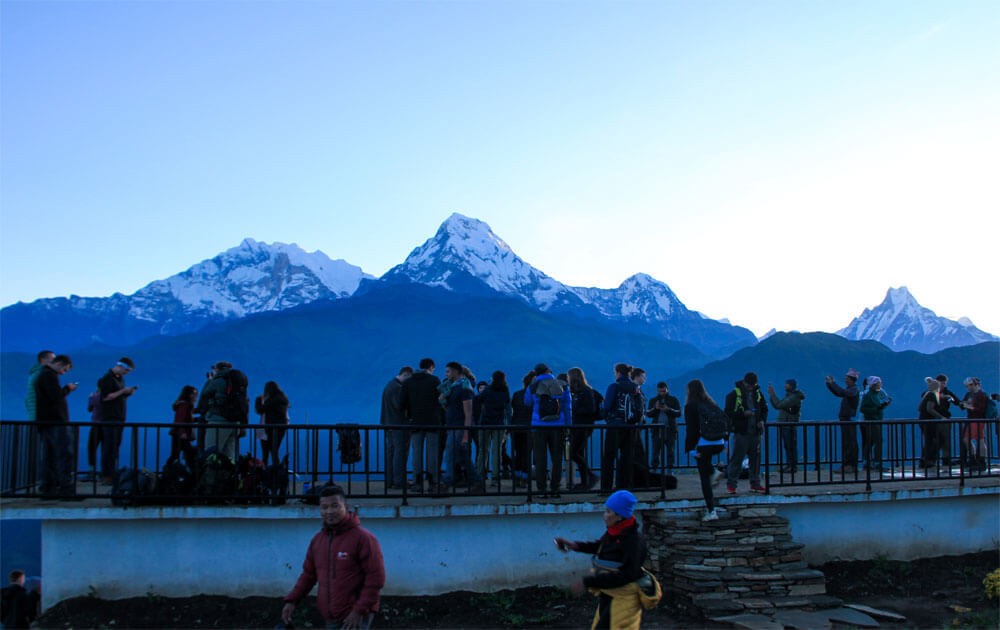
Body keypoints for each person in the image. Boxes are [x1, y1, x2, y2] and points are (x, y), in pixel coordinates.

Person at [282, 484, 385, 629]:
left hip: (356, 617)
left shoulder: (363, 539)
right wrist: (292, 601)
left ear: (345, 506)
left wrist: (358, 611)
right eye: (324, 507)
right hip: (330, 616)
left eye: (335, 506)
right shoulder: (318, 540)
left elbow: (376, 579)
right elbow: (308, 575)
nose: (329, 511)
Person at [554, 490, 650, 629]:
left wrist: (587, 582)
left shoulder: (633, 542)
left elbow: (627, 575)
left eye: (608, 511)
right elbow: (601, 547)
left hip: (624, 599)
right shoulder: (615, 532)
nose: (604, 516)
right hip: (610, 593)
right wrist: (574, 545)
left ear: (619, 516)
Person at [524, 363, 572, 497]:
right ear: (549, 370)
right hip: (558, 426)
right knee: (557, 458)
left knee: (540, 458)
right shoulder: (562, 384)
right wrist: (568, 425)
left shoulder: (533, 386)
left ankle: (541, 489)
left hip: (538, 426)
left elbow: (527, 402)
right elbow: (567, 407)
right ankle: (555, 488)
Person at [34, 354, 78, 498]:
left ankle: (48, 487)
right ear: (59, 364)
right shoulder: (48, 376)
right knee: (64, 454)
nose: (63, 372)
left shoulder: (44, 375)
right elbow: (55, 396)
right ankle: (66, 489)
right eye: (64, 369)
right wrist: (68, 389)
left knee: (50, 456)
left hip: (47, 421)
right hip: (56, 422)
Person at [684, 379, 727, 521]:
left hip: (705, 443)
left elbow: (692, 430)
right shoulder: (710, 403)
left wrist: (690, 449)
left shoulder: (691, 406)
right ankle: (714, 472)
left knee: (704, 477)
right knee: (707, 469)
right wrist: (725, 442)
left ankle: (711, 511)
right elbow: (725, 421)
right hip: (719, 442)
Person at [401, 358, 443, 493]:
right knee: (432, 453)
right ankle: (433, 482)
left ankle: (417, 483)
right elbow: (440, 400)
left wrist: (410, 415)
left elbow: (402, 403)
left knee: (416, 453)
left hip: (415, 421)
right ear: (431, 367)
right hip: (432, 422)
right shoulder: (435, 380)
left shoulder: (408, 382)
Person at [439, 361, 481, 493]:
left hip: (459, 426)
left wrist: (466, 433)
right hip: (452, 425)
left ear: (456, 372)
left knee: (450, 454)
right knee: (462, 457)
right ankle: (477, 482)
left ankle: (446, 483)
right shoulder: (453, 387)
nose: (446, 374)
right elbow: (451, 408)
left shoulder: (465, 387)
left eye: (448, 371)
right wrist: (443, 400)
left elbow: (468, 412)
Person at [724, 372, 767, 494]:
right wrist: (743, 414)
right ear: (744, 383)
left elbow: (764, 409)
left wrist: (762, 420)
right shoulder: (733, 395)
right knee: (737, 460)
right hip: (741, 433)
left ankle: (755, 483)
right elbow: (728, 413)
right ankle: (731, 485)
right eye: (749, 386)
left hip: (755, 433)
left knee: (755, 460)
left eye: (753, 386)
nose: (751, 388)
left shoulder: (758, 394)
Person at [601, 363, 641, 493]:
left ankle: (606, 488)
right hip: (631, 426)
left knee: (609, 457)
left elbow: (607, 406)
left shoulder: (614, 386)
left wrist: (602, 413)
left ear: (618, 372)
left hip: (615, 425)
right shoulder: (635, 387)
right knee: (627, 457)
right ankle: (625, 486)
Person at [97, 357, 137, 483]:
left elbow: (117, 397)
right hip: (110, 417)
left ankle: (112, 472)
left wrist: (127, 393)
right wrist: (123, 391)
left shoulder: (120, 379)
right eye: (126, 370)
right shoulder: (107, 379)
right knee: (109, 446)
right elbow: (106, 397)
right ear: (120, 366)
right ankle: (106, 475)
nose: (127, 373)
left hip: (119, 416)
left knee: (115, 446)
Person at [197, 361, 242, 462]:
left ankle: (212, 477)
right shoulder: (237, 380)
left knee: (211, 454)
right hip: (235, 423)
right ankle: (231, 476)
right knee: (230, 457)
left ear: (218, 369)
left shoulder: (218, 380)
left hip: (218, 421)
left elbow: (205, 394)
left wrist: (210, 380)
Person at [568, 367, 602, 491]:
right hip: (579, 426)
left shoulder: (586, 391)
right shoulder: (578, 391)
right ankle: (585, 482)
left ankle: (590, 476)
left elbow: (591, 409)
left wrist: (574, 411)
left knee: (573, 453)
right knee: (579, 452)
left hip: (584, 426)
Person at [476, 371, 511, 488]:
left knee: (483, 451)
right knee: (497, 451)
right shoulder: (505, 391)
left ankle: (480, 477)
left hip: (485, 423)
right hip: (499, 424)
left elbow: (478, 399)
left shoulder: (488, 390)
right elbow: (508, 409)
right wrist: (508, 426)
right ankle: (495, 478)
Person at [380, 367, 413, 490]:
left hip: (389, 424)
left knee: (392, 453)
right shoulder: (397, 388)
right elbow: (400, 406)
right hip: (399, 425)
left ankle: (390, 480)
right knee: (400, 452)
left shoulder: (389, 385)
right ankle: (399, 481)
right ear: (405, 375)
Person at [825, 368, 861, 474]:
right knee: (847, 442)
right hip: (845, 418)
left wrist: (832, 383)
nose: (845, 380)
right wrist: (830, 384)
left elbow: (841, 392)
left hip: (848, 418)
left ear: (851, 379)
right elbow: (839, 393)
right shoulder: (850, 389)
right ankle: (847, 464)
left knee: (850, 442)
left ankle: (851, 465)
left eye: (847, 378)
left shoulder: (853, 389)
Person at [768, 379, 805, 473]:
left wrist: (772, 394)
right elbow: (778, 405)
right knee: (788, 445)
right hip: (786, 423)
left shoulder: (794, 397)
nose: (785, 386)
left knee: (790, 445)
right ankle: (790, 465)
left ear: (791, 386)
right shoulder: (790, 396)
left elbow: (779, 405)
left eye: (786, 384)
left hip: (789, 424)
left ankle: (792, 466)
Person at [646, 381, 680, 474]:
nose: (662, 393)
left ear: (667, 390)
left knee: (671, 451)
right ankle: (654, 469)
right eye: (660, 391)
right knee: (655, 451)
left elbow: (679, 413)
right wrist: (655, 408)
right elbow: (648, 414)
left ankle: (670, 470)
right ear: (657, 391)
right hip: (657, 430)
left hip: (670, 429)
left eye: (664, 391)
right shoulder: (653, 401)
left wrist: (668, 409)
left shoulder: (673, 400)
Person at [859, 376, 891, 472]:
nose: (880, 385)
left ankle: (869, 462)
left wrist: (883, 406)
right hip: (871, 421)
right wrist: (877, 409)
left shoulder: (877, 394)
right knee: (875, 441)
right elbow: (863, 409)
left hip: (876, 420)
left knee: (871, 441)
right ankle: (875, 463)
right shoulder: (868, 395)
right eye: (878, 383)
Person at [255, 380, 291, 467]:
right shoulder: (281, 398)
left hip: (270, 429)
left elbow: (260, 409)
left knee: (268, 452)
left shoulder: (274, 400)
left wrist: (259, 400)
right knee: (274, 452)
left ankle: (268, 473)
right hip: (277, 428)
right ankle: (275, 473)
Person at [958, 377, 990, 473]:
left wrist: (968, 406)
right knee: (968, 439)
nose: (969, 387)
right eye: (967, 385)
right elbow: (963, 404)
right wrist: (962, 404)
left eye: (971, 385)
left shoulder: (981, 395)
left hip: (978, 419)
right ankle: (974, 459)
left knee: (978, 439)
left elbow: (980, 409)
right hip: (971, 419)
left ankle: (980, 460)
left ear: (976, 384)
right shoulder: (969, 394)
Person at [509, 372, 535, 488]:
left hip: (515, 427)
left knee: (518, 453)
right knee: (526, 454)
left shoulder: (516, 394)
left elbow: (513, 410)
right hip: (529, 428)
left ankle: (516, 477)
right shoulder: (535, 396)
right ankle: (524, 478)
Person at [918, 377, 947, 470]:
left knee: (930, 440)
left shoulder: (928, 394)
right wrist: (941, 417)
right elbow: (930, 409)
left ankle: (925, 460)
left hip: (924, 419)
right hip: (928, 421)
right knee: (936, 439)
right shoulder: (932, 395)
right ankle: (928, 460)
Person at [166, 385, 199, 468]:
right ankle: (193, 473)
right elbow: (180, 420)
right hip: (180, 434)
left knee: (176, 455)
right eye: (193, 394)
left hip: (178, 433)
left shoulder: (185, 405)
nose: (195, 396)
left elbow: (186, 419)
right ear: (187, 394)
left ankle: (168, 470)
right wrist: (182, 433)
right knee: (187, 453)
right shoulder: (184, 405)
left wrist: (198, 419)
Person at [933, 374, 959, 467]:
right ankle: (931, 460)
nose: (943, 385)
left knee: (946, 440)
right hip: (934, 418)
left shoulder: (948, 392)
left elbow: (957, 402)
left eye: (944, 383)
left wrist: (950, 399)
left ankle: (946, 459)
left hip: (945, 417)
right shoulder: (932, 391)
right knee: (935, 440)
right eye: (941, 383)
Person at [24, 349, 54, 422]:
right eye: (52, 359)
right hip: (40, 414)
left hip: (34, 413)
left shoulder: (34, 373)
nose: (54, 361)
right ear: (42, 359)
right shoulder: (42, 374)